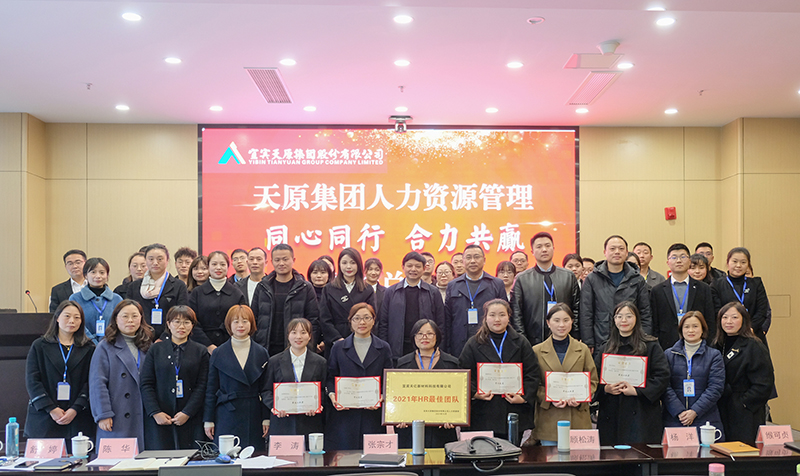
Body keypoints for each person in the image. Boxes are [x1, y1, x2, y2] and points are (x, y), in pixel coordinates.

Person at [458, 299, 538, 442]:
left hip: (513, 409)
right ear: (485, 317)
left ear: (509, 316)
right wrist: (475, 393)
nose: (497, 319)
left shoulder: (521, 342)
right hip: (483, 412)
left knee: (512, 453)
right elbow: (463, 374)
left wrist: (523, 397)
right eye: (492, 315)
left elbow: (532, 373)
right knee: (483, 452)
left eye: (502, 315)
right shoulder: (473, 343)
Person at [594, 301, 669, 445]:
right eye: (619, 316)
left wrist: (637, 391)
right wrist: (606, 389)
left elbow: (662, 376)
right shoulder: (606, 347)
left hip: (641, 412)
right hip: (611, 412)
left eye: (629, 316)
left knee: (639, 454)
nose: (624, 320)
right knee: (611, 454)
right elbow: (594, 377)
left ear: (636, 319)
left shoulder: (651, 346)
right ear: (614, 320)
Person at [24, 301, 95, 452]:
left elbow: (90, 382)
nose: (72, 321)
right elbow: (32, 380)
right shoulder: (40, 345)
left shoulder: (89, 348)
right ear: (57, 318)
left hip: (77, 417)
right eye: (67, 316)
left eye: (77, 317)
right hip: (45, 417)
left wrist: (75, 408)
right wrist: (51, 409)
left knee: (78, 462)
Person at [140, 306, 209, 449]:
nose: (181, 327)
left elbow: (202, 385)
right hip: (160, 415)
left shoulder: (200, 351)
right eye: (176, 322)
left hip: (190, 416)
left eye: (186, 322)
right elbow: (146, 383)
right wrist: (155, 412)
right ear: (168, 324)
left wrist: (187, 412)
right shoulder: (156, 349)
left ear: (192, 325)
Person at [326, 303, 393, 450]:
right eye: (356, 318)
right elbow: (331, 377)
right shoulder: (338, 348)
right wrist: (332, 395)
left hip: (372, 415)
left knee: (372, 457)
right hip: (345, 415)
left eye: (367, 318)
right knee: (345, 457)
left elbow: (389, 379)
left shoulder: (383, 347)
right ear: (350, 321)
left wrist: (382, 396)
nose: (362, 322)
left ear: (373, 320)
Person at [89, 300, 154, 450]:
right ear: (116, 319)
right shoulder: (105, 346)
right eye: (125, 316)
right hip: (117, 414)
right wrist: (103, 414)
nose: (130, 320)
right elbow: (97, 383)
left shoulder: (148, 345)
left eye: (135, 316)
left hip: (144, 414)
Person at [204, 305, 269, 451]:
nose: (240, 325)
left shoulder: (261, 352)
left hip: (253, 413)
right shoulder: (218, 353)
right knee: (226, 458)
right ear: (229, 324)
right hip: (226, 413)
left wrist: (266, 418)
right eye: (236, 321)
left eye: (245, 321)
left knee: (254, 458)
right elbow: (211, 389)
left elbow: (266, 389)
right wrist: (208, 420)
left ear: (252, 324)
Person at [532, 303, 598, 445]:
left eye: (566, 320)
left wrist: (582, 398)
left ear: (572, 322)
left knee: (580, 458)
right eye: (556, 320)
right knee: (550, 458)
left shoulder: (583, 349)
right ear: (548, 323)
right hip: (549, 419)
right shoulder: (536, 351)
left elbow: (593, 381)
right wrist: (548, 398)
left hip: (578, 418)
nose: (561, 325)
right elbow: (533, 384)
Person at [580, 235, 652, 356]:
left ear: (626, 253)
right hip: (601, 341)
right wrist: (588, 342)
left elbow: (645, 312)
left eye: (621, 249)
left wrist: (644, 340)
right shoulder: (592, 279)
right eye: (612, 249)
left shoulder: (637, 279)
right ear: (605, 252)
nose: (617, 252)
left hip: (632, 342)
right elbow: (586, 313)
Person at [712, 302, 773, 444]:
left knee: (742, 450)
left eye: (734, 317)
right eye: (725, 317)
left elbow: (764, 383)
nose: (729, 321)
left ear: (744, 320)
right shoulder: (716, 344)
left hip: (745, 411)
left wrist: (743, 403)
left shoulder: (754, 345)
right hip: (720, 408)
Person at [395, 319, 459, 448]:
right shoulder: (402, 364)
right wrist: (398, 415)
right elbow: (397, 394)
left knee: (442, 459)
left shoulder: (452, 364)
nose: (424, 337)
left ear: (437, 337)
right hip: (409, 429)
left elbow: (458, 395)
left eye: (430, 333)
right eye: (420, 334)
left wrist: (454, 417)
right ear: (414, 337)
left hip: (442, 429)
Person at [262, 318, 327, 444]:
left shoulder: (320, 362)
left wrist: (317, 405)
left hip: (310, 423)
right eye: (294, 332)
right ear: (288, 335)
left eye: (303, 332)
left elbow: (323, 390)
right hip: (282, 423)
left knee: (310, 456)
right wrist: (275, 406)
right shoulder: (274, 361)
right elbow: (266, 390)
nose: (298, 337)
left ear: (309, 336)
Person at [662, 311, 725, 439]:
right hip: (674, 419)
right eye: (686, 326)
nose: (691, 330)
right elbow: (664, 386)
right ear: (681, 330)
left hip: (705, 418)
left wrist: (695, 411)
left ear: (703, 329)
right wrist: (679, 411)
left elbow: (715, 388)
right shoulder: (668, 354)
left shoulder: (714, 355)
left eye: (695, 326)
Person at [512, 232, 581, 347]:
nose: (544, 250)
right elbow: (516, 312)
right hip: (532, 341)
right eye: (539, 247)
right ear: (532, 252)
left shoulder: (568, 276)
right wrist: (523, 340)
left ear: (553, 248)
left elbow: (576, 308)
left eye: (547, 246)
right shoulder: (522, 279)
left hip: (565, 339)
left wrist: (575, 335)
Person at [251, 243, 320, 356]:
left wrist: (309, 348)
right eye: (277, 260)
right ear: (272, 261)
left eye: (285, 259)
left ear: (293, 260)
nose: (281, 263)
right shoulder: (262, 287)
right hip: (265, 347)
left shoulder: (305, 287)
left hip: (296, 347)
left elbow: (313, 321)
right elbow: (253, 318)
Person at [379, 251, 446, 364]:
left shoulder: (433, 292)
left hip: (426, 346)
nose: (413, 269)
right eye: (409, 266)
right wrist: (385, 348)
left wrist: (439, 347)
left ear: (424, 268)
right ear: (403, 267)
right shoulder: (391, 292)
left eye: (418, 266)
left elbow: (441, 323)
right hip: (397, 347)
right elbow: (383, 323)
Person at [443, 245, 505, 358]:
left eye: (476, 257)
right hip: (459, 344)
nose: (472, 261)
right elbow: (447, 319)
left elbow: (505, 316)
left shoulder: (496, 284)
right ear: (463, 261)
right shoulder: (453, 285)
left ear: (484, 260)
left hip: (489, 342)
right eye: (468, 257)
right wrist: (447, 348)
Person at [650, 244, 716, 351]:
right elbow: (655, 323)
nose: (679, 261)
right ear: (668, 262)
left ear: (689, 261)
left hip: (697, 344)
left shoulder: (703, 288)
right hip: (666, 344)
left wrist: (708, 345)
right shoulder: (657, 290)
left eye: (683, 257)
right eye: (674, 257)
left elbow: (710, 320)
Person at [126, 244, 189, 340]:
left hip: (170, 338)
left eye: (160, 259)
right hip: (139, 338)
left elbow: (182, 315)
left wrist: (164, 338)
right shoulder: (134, 286)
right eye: (151, 259)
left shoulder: (178, 286)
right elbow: (129, 313)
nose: (155, 263)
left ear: (167, 261)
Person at [319, 248, 375, 356]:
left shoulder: (367, 289)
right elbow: (324, 319)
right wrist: (337, 339)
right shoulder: (329, 289)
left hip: (361, 339)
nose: (348, 267)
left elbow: (372, 317)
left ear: (359, 265)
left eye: (352, 263)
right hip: (335, 342)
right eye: (344, 263)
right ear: (339, 265)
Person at [189, 251, 247, 354]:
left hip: (231, 347)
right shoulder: (197, 293)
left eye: (222, 264)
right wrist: (208, 345)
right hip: (201, 348)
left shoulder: (237, 293)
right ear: (208, 266)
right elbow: (191, 321)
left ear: (228, 267)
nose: (218, 268)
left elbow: (243, 320)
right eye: (214, 264)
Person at [711, 247, 771, 346]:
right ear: (727, 263)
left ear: (748, 264)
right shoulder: (717, 285)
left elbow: (762, 310)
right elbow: (716, 311)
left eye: (743, 262)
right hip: (727, 335)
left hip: (753, 334)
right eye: (735, 261)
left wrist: (750, 328)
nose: (738, 265)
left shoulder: (756, 283)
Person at [70, 258, 123, 344]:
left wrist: (106, 342)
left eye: (102, 272)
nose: (98, 276)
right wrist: (92, 342)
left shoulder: (117, 299)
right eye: (93, 272)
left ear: (107, 275)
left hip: (111, 344)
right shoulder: (75, 298)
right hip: (83, 344)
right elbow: (74, 323)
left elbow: (121, 323)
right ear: (85, 275)